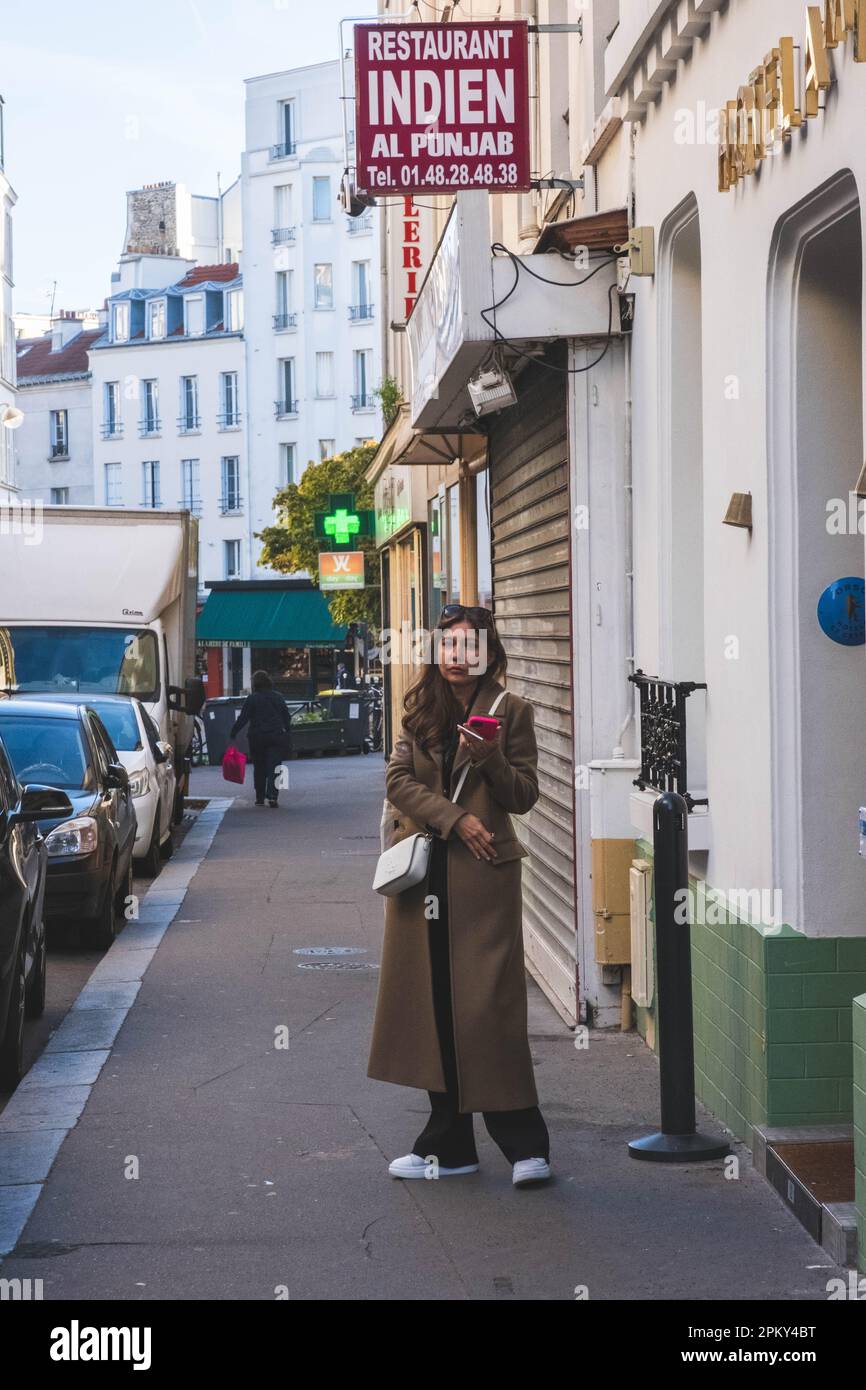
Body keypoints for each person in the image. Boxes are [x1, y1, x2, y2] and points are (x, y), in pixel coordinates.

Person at [367, 604, 551, 1188]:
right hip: (424, 878)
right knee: (433, 1008)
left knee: (488, 1010)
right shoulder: (418, 709)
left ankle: (525, 1145)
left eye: (469, 646)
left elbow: (523, 797)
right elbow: (398, 780)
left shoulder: (510, 711)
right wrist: (454, 819)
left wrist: (488, 759)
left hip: (483, 881)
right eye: (447, 646)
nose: (456, 657)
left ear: (487, 653)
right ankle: (448, 1148)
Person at [229, 670, 291, 807]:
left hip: (257, 737)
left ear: (254, 684)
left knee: (259, 768)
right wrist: (287, 730)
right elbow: (286, 716)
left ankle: (260, 797)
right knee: (275, 768)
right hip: (276, 736)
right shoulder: (278, 697)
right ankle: (273, 796)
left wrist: (234, 732)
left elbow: (243, 718)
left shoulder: (252, 698)